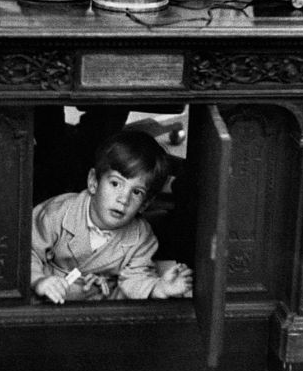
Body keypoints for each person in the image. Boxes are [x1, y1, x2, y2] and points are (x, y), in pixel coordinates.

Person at [31, 129, 193, 303]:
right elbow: (28, 251)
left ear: (145, 203)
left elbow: (136, 277)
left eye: (137, 192)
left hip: (98, 304)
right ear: (94, 182)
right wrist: (39, 281)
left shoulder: (141, 236)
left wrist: (158, 288)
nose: (123, 199)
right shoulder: (57, 213)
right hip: (48, 296)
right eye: (115, 183)